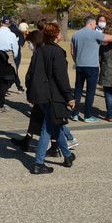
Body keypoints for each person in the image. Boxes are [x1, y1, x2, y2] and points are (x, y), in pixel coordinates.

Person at [12, 22, 78, 154]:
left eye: (30, 42)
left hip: (48, 94)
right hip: (45, 93)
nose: (28, 45)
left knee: (50, 125)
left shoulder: (46, 52)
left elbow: (59, 77)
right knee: (46, 123)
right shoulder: (46, 51)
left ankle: (59, 148)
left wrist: (68, 96)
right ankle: (58, 153)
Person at [28, 22, 77, 175]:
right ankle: (38, 163)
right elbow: (61, 77)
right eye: (60, 33)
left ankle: (68, 156)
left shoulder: (39, 50)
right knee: (47, 128)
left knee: (55, 126)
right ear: (56, 35)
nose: (62, 35)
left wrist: (31, 93)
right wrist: (69, 96)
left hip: (40, 95)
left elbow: (30, 74)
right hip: (52, 95)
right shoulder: (58, 52)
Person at [70, 15, 112, 122]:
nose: (96, 25)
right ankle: (87, 115)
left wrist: (77, 61)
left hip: (80, 66)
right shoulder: (95, 34)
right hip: (92, 67)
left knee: (78, 90)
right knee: (90, 92)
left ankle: (75, 114)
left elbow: (72, 51)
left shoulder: (75, 35)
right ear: (90, 23)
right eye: (95, 23)